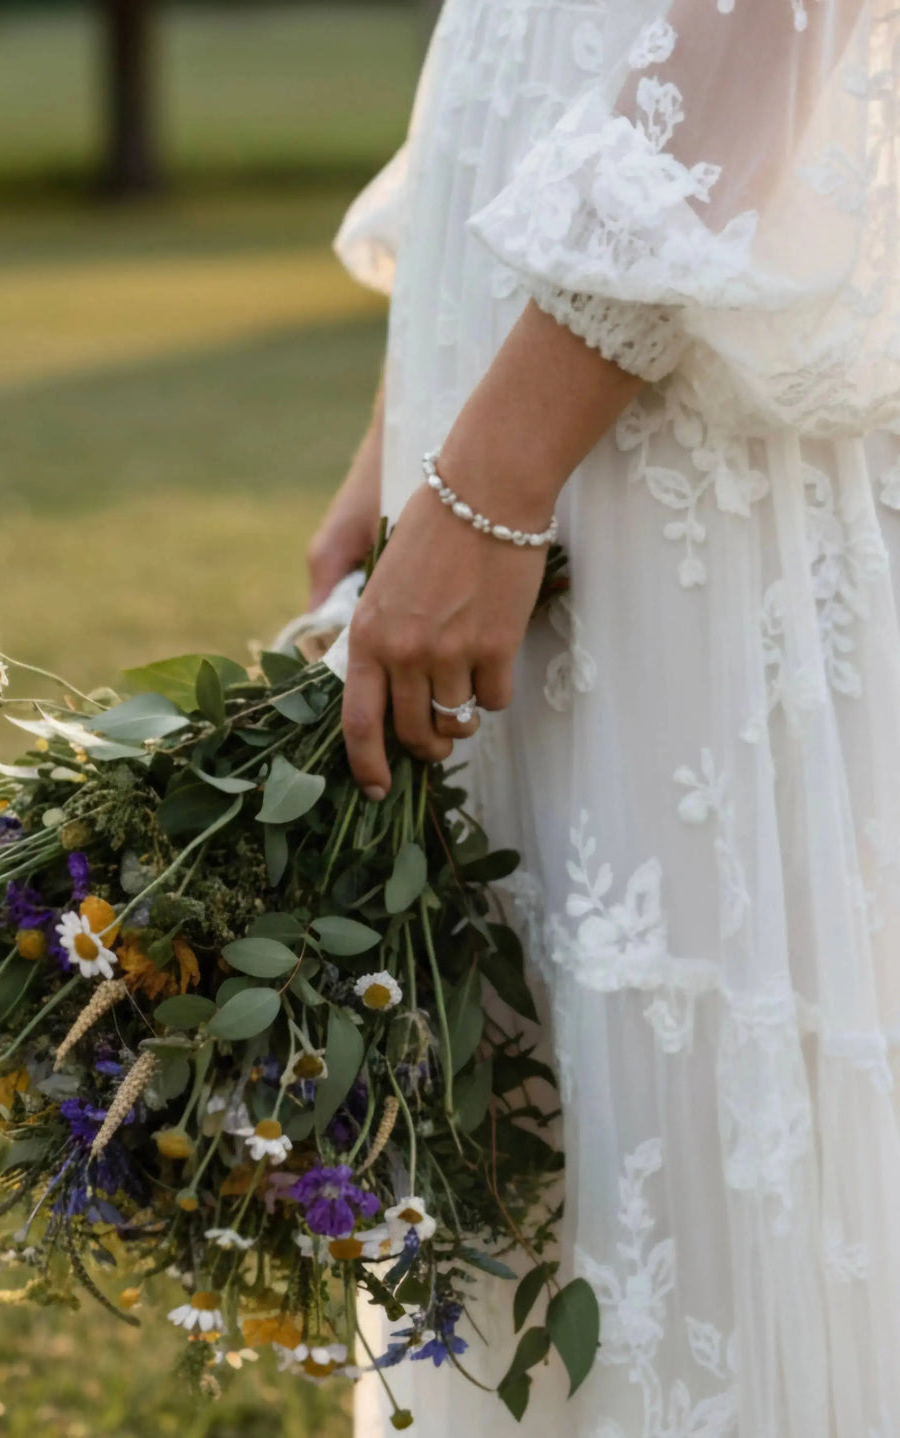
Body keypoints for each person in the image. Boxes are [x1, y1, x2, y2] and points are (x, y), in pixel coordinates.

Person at [307, 2, 900, 1434]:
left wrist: (491, 480)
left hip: (676, 394)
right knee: (515, 1051)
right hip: (515, 350)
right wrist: (403, 441)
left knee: (693, 1102)